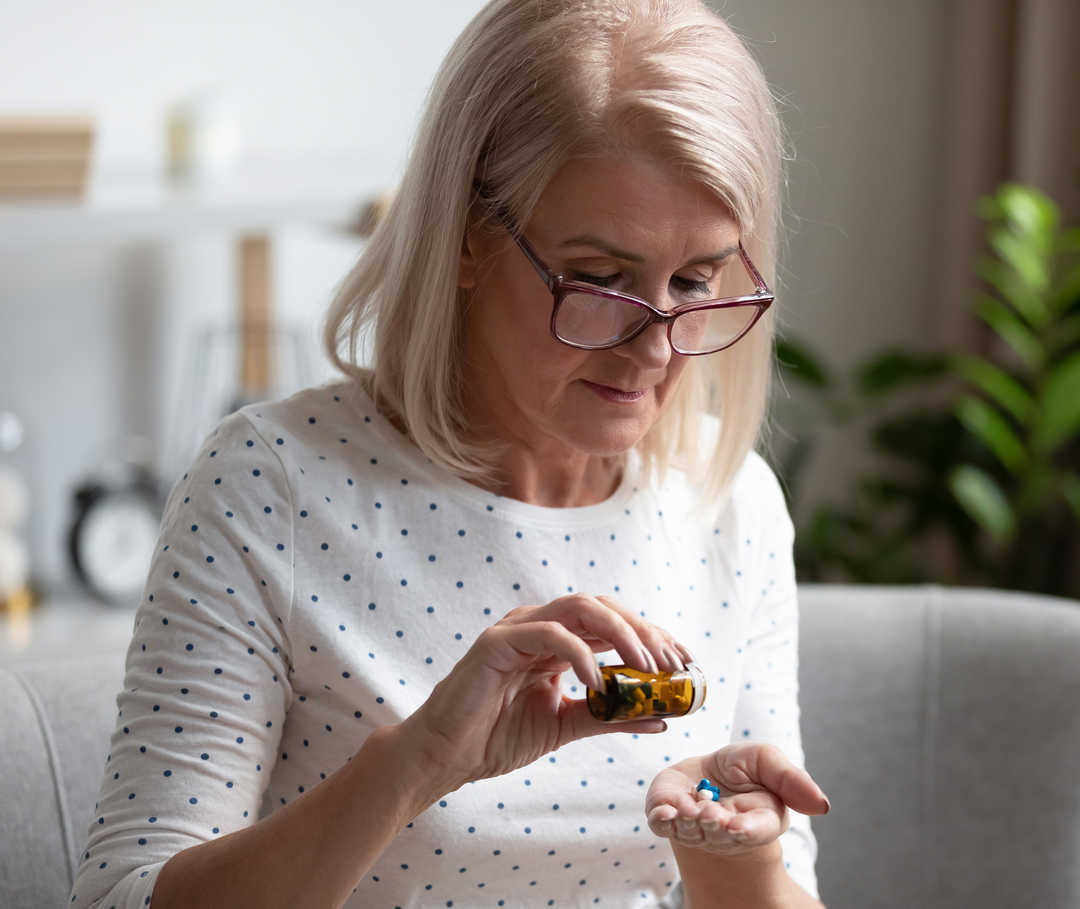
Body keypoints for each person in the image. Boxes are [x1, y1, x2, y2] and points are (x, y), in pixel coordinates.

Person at [69, 0, 831, 906]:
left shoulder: (730, 500)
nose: (656, 346)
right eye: (600, 279)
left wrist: (730, 852)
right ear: (470, 232)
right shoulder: (269, 487)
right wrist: (419, 762)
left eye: (696, 281)